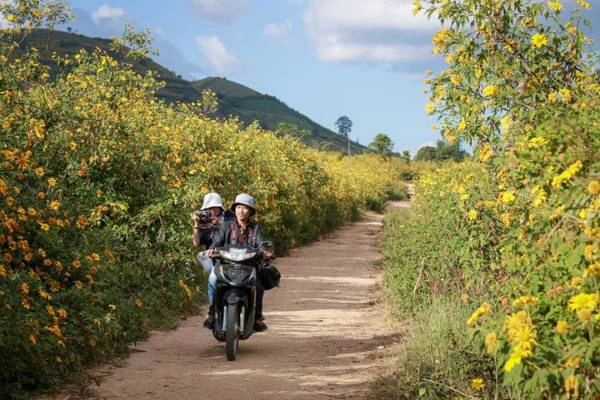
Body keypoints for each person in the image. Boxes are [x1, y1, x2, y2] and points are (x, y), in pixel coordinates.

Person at [206, 193, 272, 332]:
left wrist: (265, 252)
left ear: (250, 212)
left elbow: (262, 244)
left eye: (245, 208)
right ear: (234, 209)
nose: (241, 211)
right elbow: (216, 241)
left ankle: (257, 318)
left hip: (248, 266)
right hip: (226, 265)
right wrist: (211, 250)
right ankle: (212, 313)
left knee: (258, 286)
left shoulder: (256, 228)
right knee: (213, 280)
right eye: (239, 207)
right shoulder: (226, 226)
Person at [191, 192, 232, 329]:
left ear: (220, 208)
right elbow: (196, 243)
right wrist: (196, 224)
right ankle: (212, 311)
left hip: (234, 258)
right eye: (208, 209)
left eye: (214, 208)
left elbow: (236, 231)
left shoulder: (230, 217)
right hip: (217, 261)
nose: (211, 211)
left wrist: (220, 223)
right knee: (213, 280)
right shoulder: (205, 224)